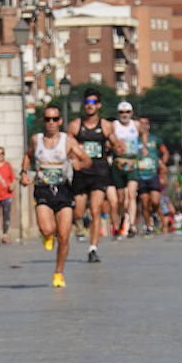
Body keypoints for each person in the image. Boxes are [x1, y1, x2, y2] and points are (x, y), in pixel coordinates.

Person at [21, 107, 89, 287]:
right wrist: (23, 173)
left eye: (54, 119)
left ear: (60, 121)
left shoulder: (68, 141)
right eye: (47, 119)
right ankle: (47, 235)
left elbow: (86, 160)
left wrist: (77, 164)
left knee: (64, 236)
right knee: (46, 228)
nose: (51, 122)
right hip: (43, 189)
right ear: (43, 121)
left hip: (63, 190)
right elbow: (28, 156)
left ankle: (58, 272)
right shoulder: (36, 140)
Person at [68, 88, 122, 263]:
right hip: (81, 171)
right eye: (87, 103)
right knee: (78, 211)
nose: (89, 106)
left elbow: (115, 143)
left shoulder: (106, 125)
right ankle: (80, 226)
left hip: (99, 171)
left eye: (93, 103)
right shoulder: (76, 125)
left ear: (98, 105)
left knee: (96, 209)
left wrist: (118, 147)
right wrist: (73, 159)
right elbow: (67, 145)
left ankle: (93, 248)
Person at [112, 101, 143, 237]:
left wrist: (144, 147)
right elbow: (109, 139)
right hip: (118, 163)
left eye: (127, 112)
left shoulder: (135, 125)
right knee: (120, 198)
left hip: (132, 162)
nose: (124, 115)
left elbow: (144, 134)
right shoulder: (114, 125)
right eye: (122, 112)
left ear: (131, 113)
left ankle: (132, 225)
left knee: (131, 194)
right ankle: (121, 218)